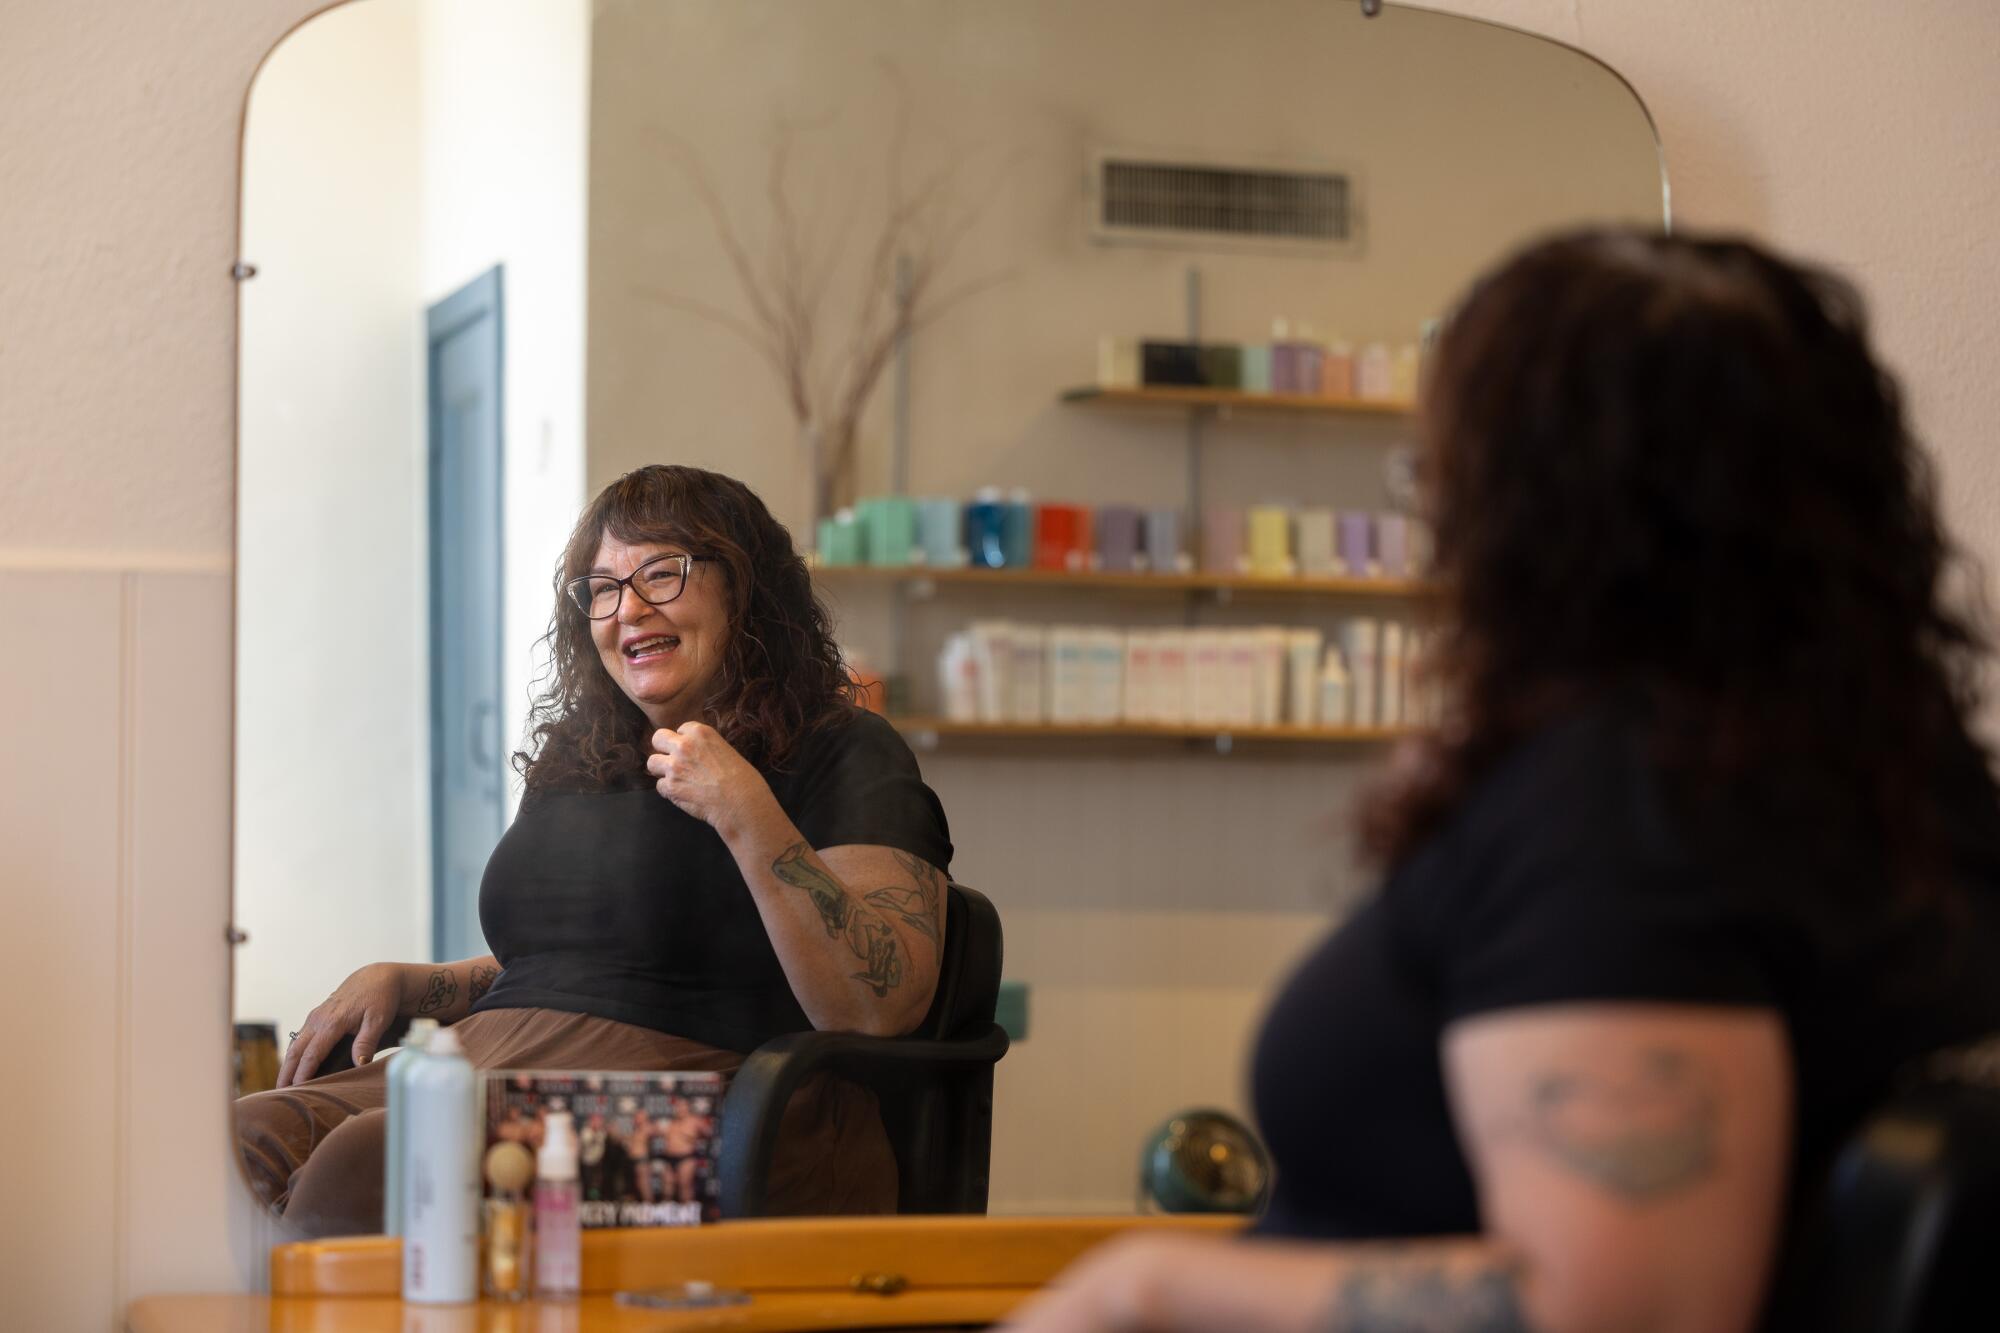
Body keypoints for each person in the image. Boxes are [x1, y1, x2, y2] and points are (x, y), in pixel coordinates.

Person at [1008, 230, 2000, 1332]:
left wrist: (1143, 1288)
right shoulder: (1890, 782)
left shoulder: (1621, 812)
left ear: (1519, 504)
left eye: (1432, 470)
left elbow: (1627, 1310)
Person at [235, 464, 954, 1234]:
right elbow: (579, 968)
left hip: (729, 1119)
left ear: (745, 589)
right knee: (235, 1143)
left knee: (376, 1158)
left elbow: (884, 1003)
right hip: (499, 1070)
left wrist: (747, 813)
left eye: (662, 573)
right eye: (602, 588)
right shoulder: (583, 753)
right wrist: (412, 981)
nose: (629, 608)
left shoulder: (842, 749)